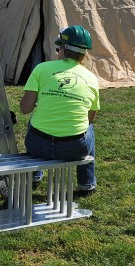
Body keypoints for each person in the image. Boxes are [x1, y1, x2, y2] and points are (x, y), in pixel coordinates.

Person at [20, 25, 99, 196]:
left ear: (63, 49)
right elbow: (90, 117)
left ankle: (35, 175)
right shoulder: (92, 78)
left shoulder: (41, 69)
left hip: (38, 146)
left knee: (34, 121)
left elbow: (25, 109)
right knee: (89, 128)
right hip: (75, 148)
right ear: (84, 54)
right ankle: (87, 184)